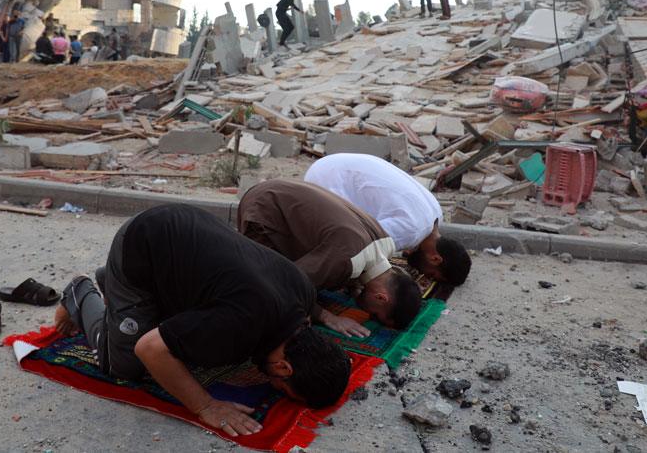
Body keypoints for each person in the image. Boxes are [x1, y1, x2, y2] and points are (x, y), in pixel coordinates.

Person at [55, 204, 351, 437]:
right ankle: (80, 293)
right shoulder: (240, 323)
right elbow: (150, 348)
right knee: (122, 365)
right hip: (141, 244)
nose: (271, 385)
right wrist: (206, 406)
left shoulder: (302, 292)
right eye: (281, 386)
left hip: (185, 231)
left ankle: (114, 286)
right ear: (285, 367)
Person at [237, 179, 423, 338]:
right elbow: (288, 284)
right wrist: (327, 317)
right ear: (382, 297)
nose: (367, 314)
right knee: (266, 288)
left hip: (282, 189)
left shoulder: (385, 241)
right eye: (374, 314)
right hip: (263, 208)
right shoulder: (347, 260)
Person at [304, 153, 472, 286]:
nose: (423, 275)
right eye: (430, 274)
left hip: (337, 164)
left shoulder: (436, 214)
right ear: (435, 258)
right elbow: (361, 246)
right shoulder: (411, 232)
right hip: (327, 180)